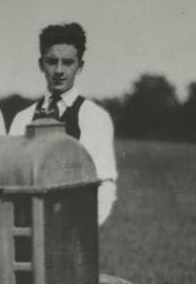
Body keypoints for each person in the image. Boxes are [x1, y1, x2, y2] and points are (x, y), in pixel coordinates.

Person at [8, 22, 118, 225]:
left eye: (67, 62)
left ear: (80, 66)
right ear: (41, 64)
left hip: (73, 232)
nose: (59, 70)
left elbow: (104, 184)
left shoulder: (95, 118)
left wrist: (84, 230)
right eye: (52, 61)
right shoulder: (22, 118)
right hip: (25, 230)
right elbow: (9, 179)